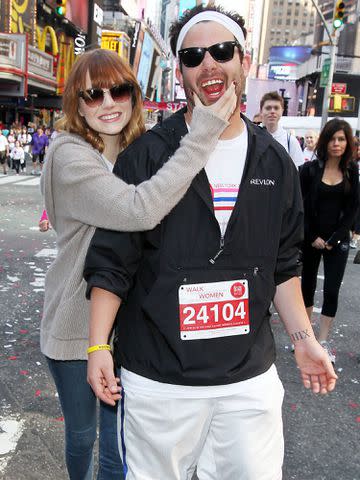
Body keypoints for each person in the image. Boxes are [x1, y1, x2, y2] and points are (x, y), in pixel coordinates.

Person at [83, 6, 337, 480]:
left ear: (243, 60)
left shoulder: (275, 161)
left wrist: (304, 341)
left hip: (247, 381)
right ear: (180, 73)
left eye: (221, 51)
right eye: (194, 56)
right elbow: (112, 262)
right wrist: (98, 346)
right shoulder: (148, 155)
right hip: (160, 382)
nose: (209, 64)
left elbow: (283, 265)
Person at [40, 48, 236, 480]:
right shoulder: (69, 155)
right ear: (76, 102)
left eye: (119, 90)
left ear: (134, 95)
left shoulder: (139, 148)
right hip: (76, 326)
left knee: (117, 442)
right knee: (82, 435)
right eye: (93, 96)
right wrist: (202, 135)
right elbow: (140, 209)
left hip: (127, 324)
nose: (108, 103)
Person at [299, 118, 359, 364]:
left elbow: (354, 208)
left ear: (348, 142)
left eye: (342, 139)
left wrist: (335, 238)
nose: (337, 143)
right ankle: (307, 341)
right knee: (307, 288)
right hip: (311, 238)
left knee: (332, 291)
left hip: (338, 240)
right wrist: (312, 237)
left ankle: (323, 341)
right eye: (333, 138)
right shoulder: (310, 170)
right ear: (326, 140)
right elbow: (299, 206)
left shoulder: (352, 171)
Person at [260, 91, 304, 168]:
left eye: (276, 108)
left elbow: (298, 171)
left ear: (282, 111)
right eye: (268, 108)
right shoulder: (251, 138)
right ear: (261, 111)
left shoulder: (290, 141)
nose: (272, 111)